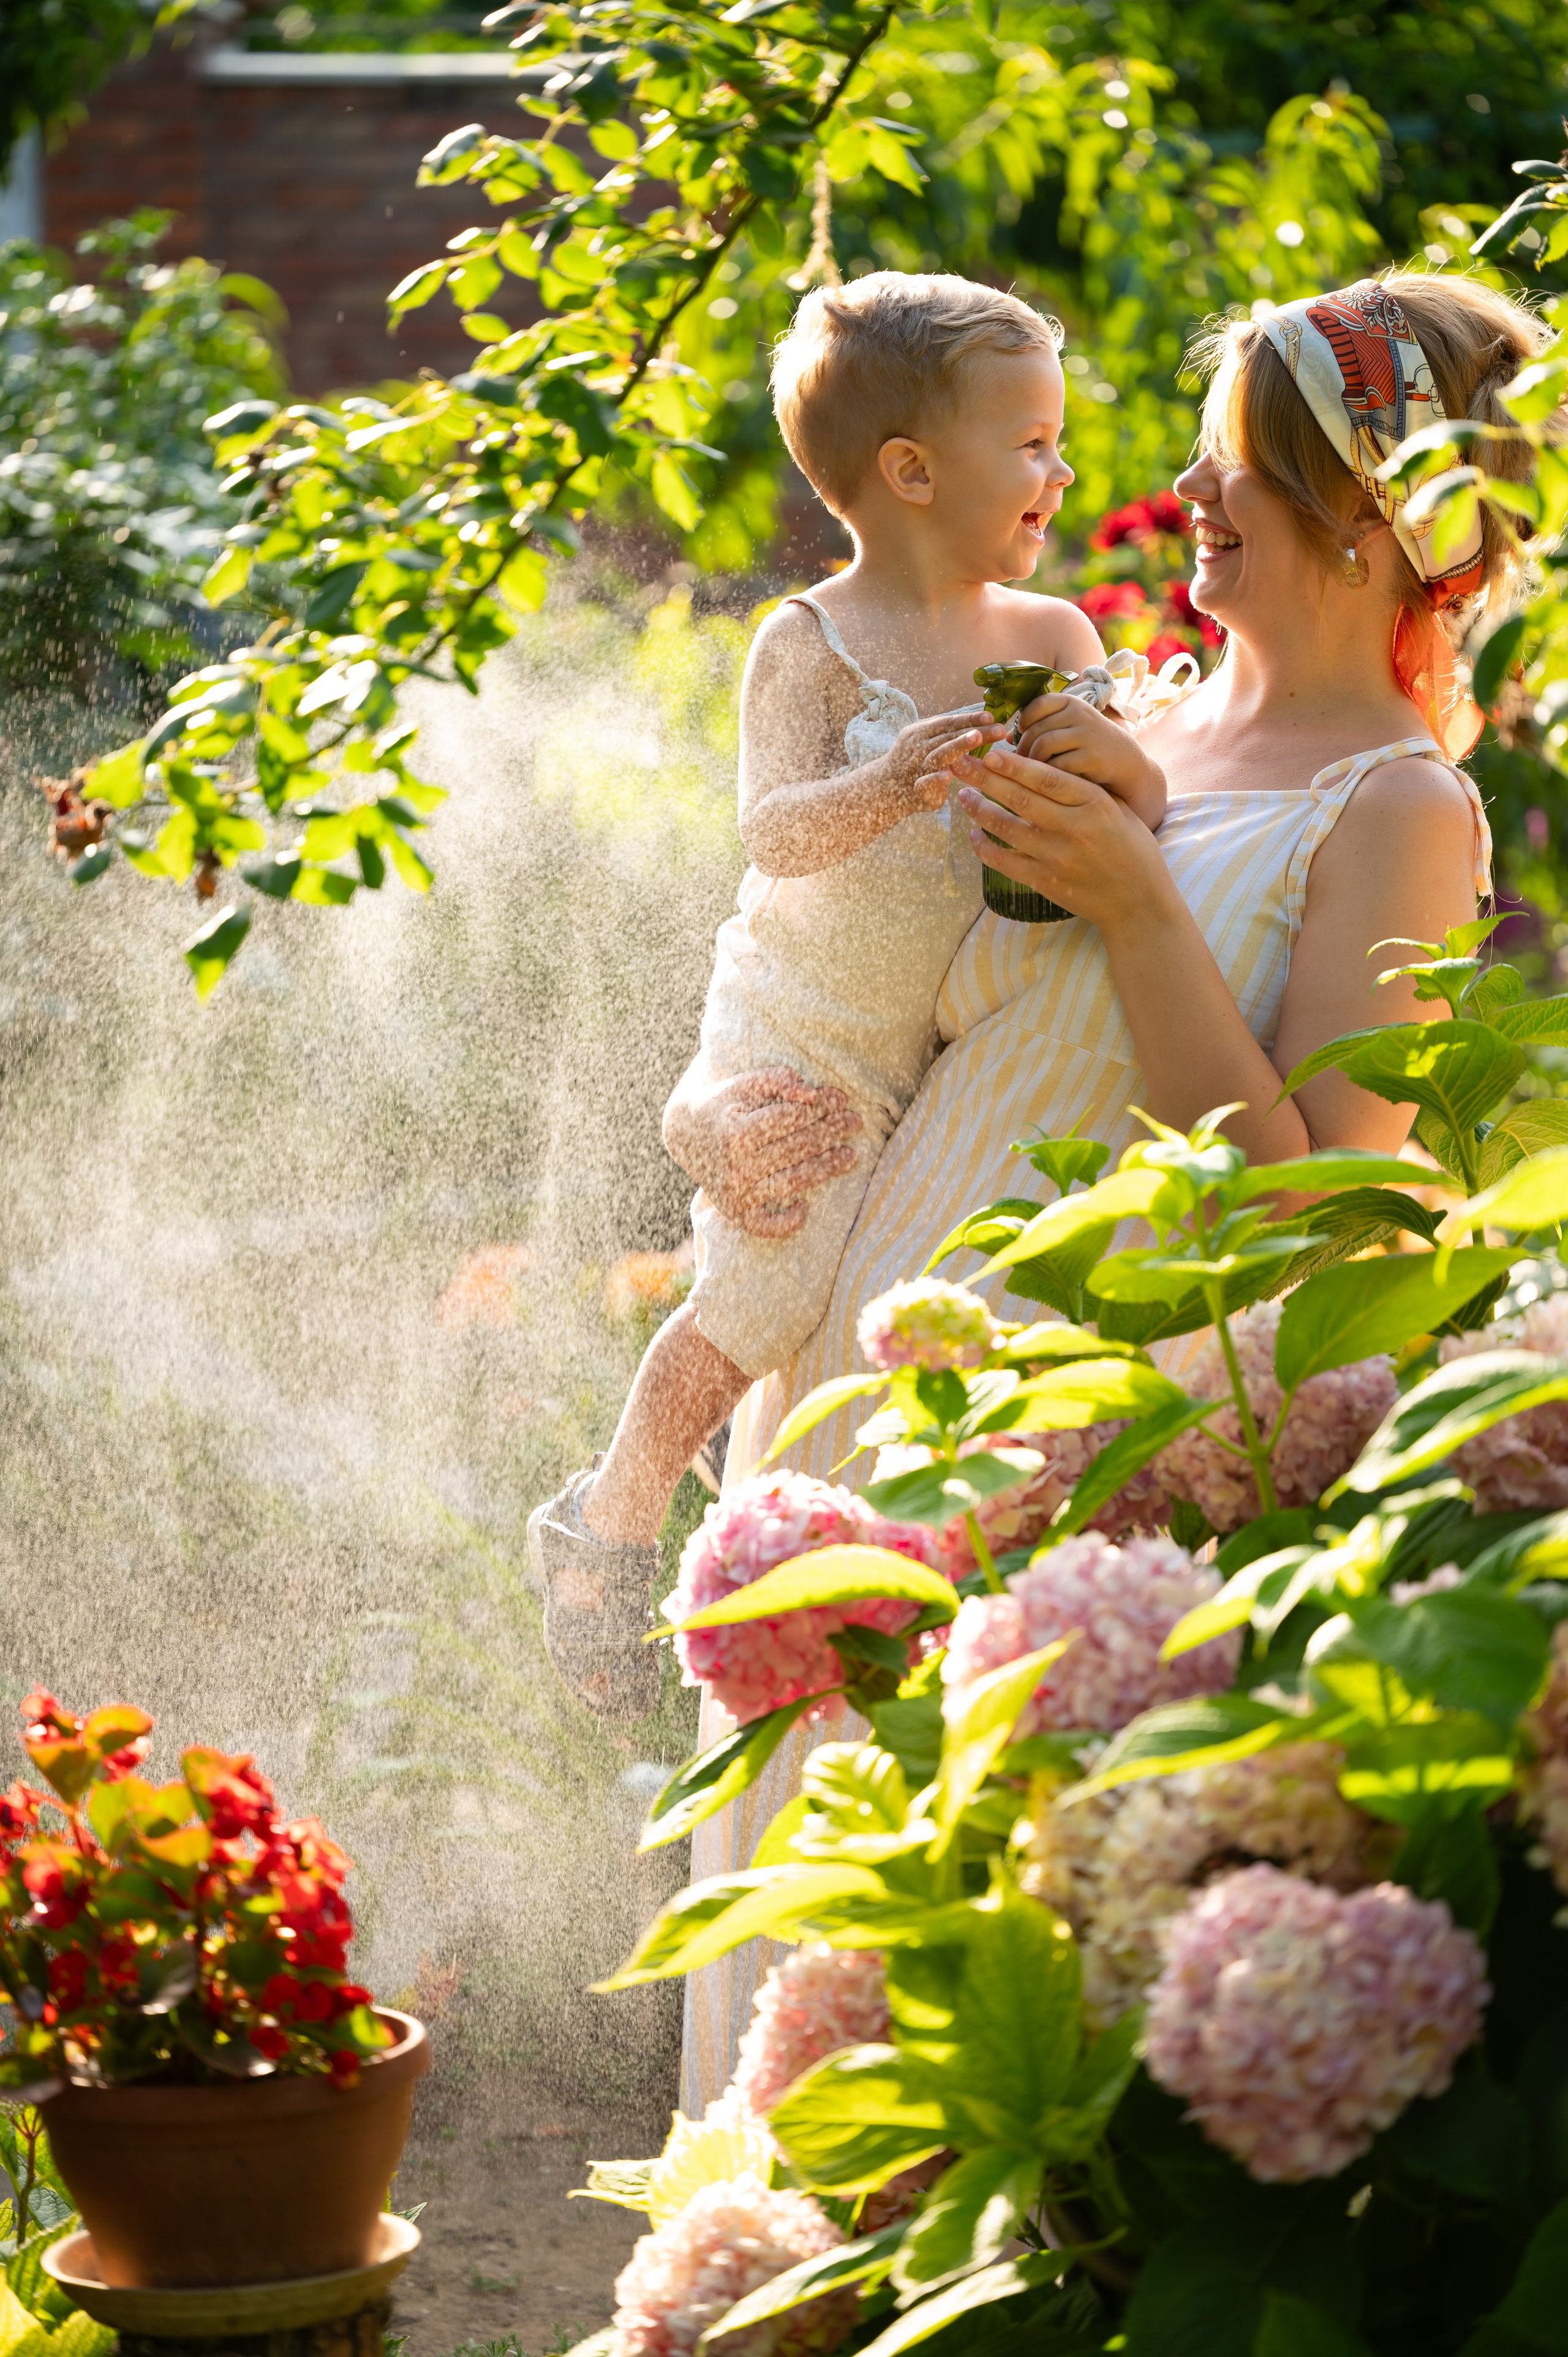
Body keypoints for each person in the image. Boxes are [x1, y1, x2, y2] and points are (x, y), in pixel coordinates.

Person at [666, 268, 1553, 2110]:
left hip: (1059, 1464)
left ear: (1374, 515)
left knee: (923, 2024)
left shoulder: (1397, 807)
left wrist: (1145, 905)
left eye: (1237, 465)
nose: (1187, 492)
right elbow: (828, 978)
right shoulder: (1116, 702)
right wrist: (717, 1122)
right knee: (778, 1936)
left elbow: (1326, 1222)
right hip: (843, 1377)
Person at [528, 272, 1167, 1718]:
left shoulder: (1057, 637)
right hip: (801, 1020)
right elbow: (770, 837)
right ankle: (607, 1519)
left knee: (851, 1297)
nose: (1060, 474)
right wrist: (884, 783)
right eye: (1034, 445)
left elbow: (1138, 789)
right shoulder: (807, 643)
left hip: (923, 1043)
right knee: (766, 1279)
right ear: (909, 471)